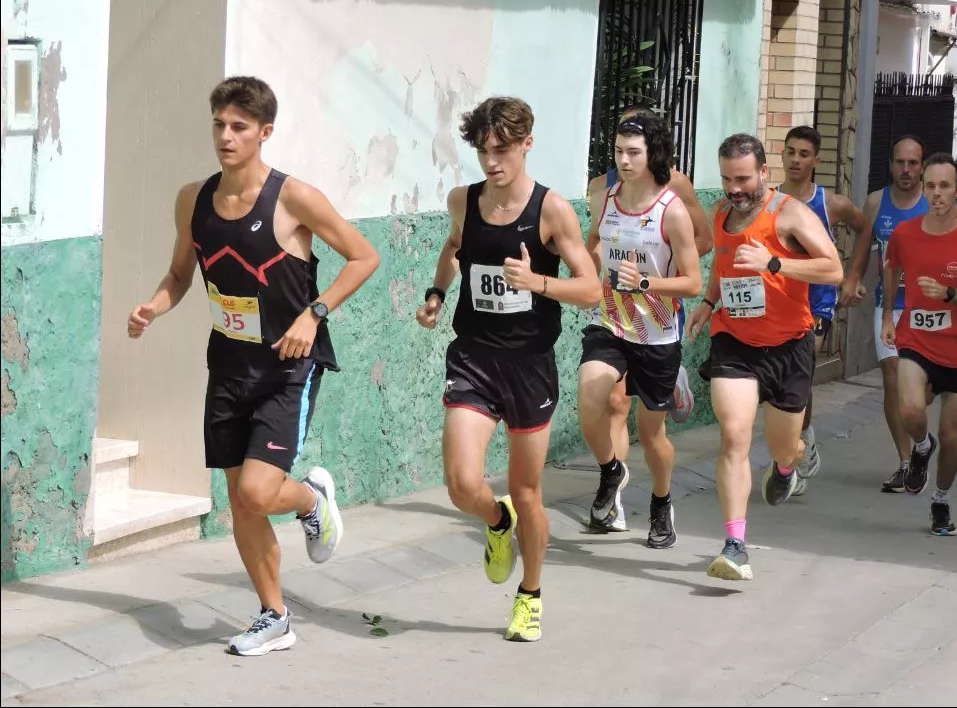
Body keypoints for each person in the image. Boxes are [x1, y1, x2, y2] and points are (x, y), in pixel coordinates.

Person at [126, 76, 380, 655]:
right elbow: (179, 275)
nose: (226, 136)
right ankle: (274, 615)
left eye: (239, 126)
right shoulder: (193, 198)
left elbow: (364, 256)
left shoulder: (295, 199)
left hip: (288, 366)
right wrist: (153, 309)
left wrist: (313, 313)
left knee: (262, 492)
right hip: (228, 365)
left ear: (265, 133)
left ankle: (314, 502)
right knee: (241, 499)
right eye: (219, 124)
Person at [416, 96, 601, 643]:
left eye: (502, 150)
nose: (492, 162)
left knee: (526, 491)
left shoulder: (552, 211)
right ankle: (496, 524)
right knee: (460, 482)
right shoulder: (463, 201)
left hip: (529, 366)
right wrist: (436, 291)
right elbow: (454, 247)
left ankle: (530, 594)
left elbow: (591, 289)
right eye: (483, 151)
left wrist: (538, 283)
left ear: (526, 144)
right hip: (473, 356)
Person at [686, 133, 843, 581]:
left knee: (780, 444)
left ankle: (788, 463)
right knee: (734, 435)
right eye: (726, 179)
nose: (734, 189)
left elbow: (832, 267)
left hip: (789, 347)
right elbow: (724, 265)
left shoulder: (790, 214)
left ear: (763, 174)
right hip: (734, 341)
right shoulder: (721, 214)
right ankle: (735, 544)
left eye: (742, 179)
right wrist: (709, 303)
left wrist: (775, 263)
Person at [579, 114, 703, 548]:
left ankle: (661, 502)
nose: (625, 160)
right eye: (619, 152)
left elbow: (693, 281)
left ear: (653, 155)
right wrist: (591, 269)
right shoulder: (607, 197)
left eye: (634, 152)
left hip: (656, 334)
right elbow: (594, 241)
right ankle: (612, 471)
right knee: (590, 399)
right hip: (610, 323)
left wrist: (646, 283)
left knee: (652, 435)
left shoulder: (671, 211)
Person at [881, 152, 957, 536]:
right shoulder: (905, 233)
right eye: (929, 186)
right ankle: (920, 446)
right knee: (911, 411)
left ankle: (942, 499)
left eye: (944, 186)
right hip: (915, 339)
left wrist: (950, 294)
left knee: (952, 436)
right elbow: (892, 269)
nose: (935, 193)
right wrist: (887, 316)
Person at [776, 126, 871, 483]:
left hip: (818, 305)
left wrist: (853, 276)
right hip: (780, 304)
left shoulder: (831, 204)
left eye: (804, 154)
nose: (796, 160)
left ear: (816, 160)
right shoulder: (769, 200)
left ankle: (798, 448)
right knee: (783, 378)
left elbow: (866, 228)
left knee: (799, 371)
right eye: (790, 152)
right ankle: (804, 436)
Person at [854, 136, 929, 493]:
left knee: (920, 390)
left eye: (913, 163)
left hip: (927, 310)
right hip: (888, 307)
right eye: (900, 162)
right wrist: (852, 279)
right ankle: (906, 461)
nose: (906, 170)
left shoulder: (934, 204)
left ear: (922, 166)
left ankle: (922, 445)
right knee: (892, 378)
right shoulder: (875, 202)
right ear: (891, 164)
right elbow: (863, 247)